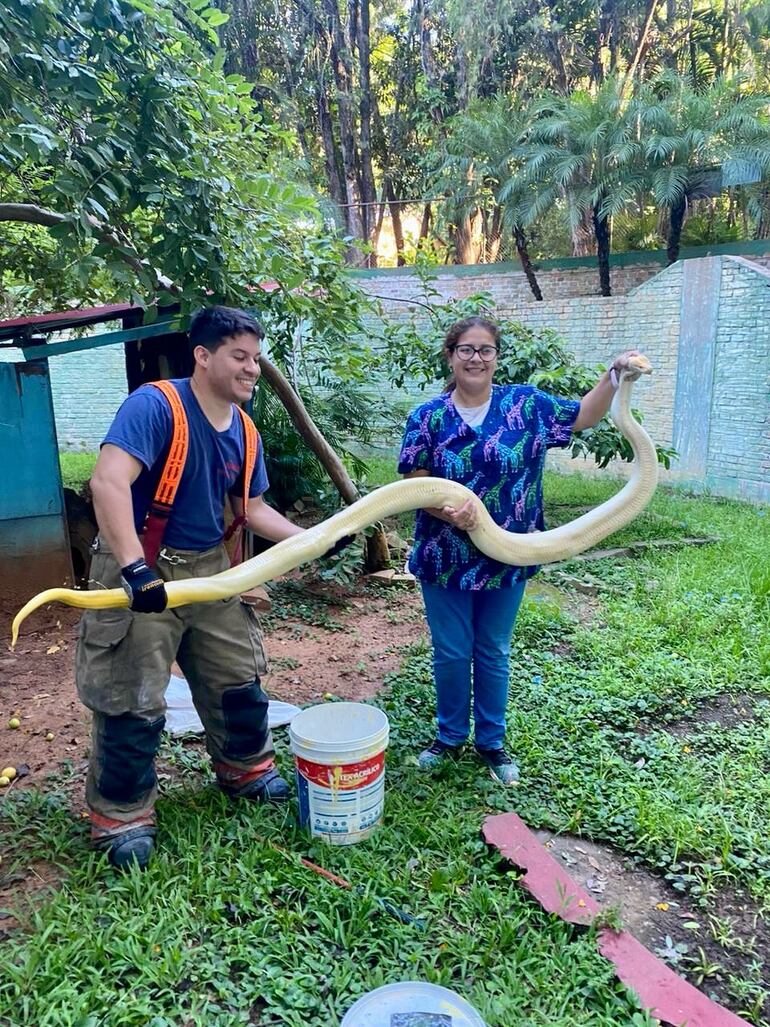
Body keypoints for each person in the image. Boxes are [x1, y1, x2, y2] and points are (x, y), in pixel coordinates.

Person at [77, 305, 308, 869]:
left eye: (256, 357)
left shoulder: (246, 431)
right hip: (144, 564)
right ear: (202, 357)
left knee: (238, 677)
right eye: (240, 356)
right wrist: (134, 568)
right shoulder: (155, 406)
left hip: (213, 571)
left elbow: (251, 510)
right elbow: (107, 480)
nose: (253, 369)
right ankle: (122, 815)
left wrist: (314, 537)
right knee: (130, 694)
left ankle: (245, 769)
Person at [398, 315, 641, 785]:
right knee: (451, 651)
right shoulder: (427, 416)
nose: (476, 358)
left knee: (492, 649)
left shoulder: (525, 406)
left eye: (485, 350)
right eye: (466, 349)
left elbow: (584, 416)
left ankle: (491, 742)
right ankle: (448, 737)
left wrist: (614, 375)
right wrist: (452, 511)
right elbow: (412, 481)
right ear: (451, 356)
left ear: (496, 357)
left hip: (508, 553)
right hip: (444, 555)